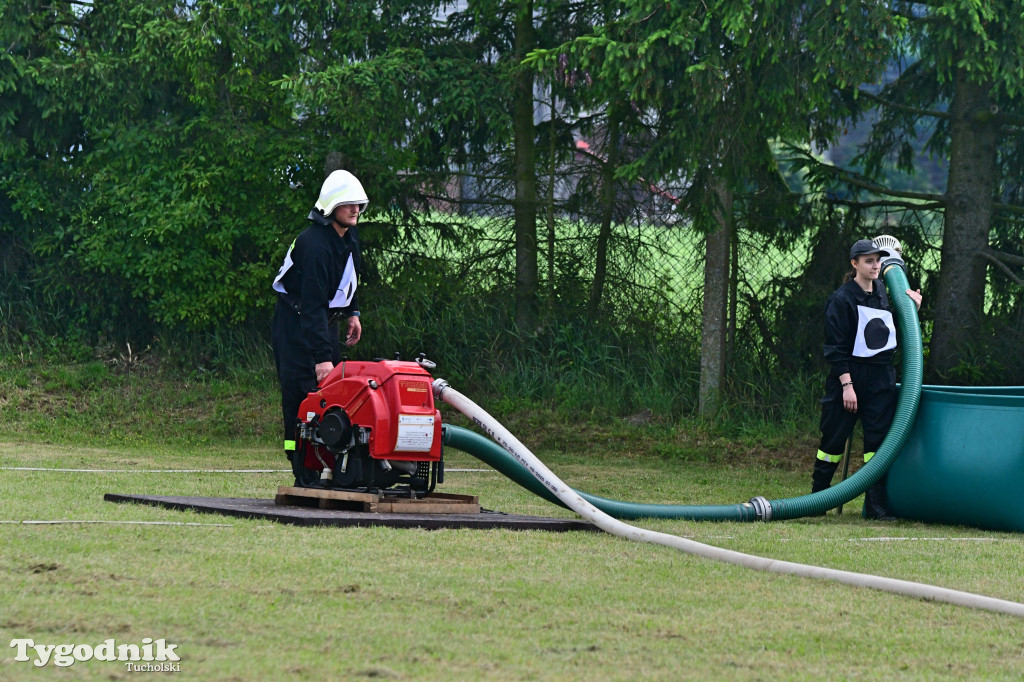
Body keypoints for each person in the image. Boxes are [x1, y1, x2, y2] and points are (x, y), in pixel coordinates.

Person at [810, 238, 923, 520]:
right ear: (855, 264)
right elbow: (835, 349)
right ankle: (817, 499)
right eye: (869, 261)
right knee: (832, 443)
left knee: (877, 445)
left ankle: (874, 506)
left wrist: (913, 311)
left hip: (880, 380)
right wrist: (847, 386)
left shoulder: (883, 291)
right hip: (850, 379)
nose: (875, 266)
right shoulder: (842, 299)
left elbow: (886, 333)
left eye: (878, 260)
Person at [272, 169, 367, 470]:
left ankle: (327, 463)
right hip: (294, 325)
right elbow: (312, 307)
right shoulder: (313, 245)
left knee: (330, 395)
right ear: (331, 206)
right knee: (300, 396)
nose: (355, 209)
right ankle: (299, 462)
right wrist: (321, 358)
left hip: (324, 323)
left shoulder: (347, 236)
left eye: (358, 204)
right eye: (349, 203)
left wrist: (352, 312)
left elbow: (349, 277)